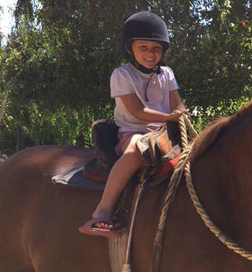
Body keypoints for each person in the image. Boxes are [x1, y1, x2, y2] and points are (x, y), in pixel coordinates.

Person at [79, 11, 188, 238]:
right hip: (134, 132)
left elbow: (178, 104)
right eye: (144, 47)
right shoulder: (121, 75)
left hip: (165, 134)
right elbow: (137, 111)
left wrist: (179, 114)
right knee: (135, 152)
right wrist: (171, 117)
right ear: (130, 48)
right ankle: (103, 211)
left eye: (156, 48)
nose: (151, 53)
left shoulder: (167, 73)